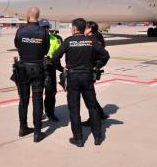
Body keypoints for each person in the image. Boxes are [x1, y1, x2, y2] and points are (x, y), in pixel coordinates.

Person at [52, 18, 110, 147]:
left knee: (74, 109)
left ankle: (78, 139)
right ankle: (98, 136)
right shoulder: (91, 41)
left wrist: (61, 69)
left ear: (74, 29)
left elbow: (55, 57)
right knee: (92, 107)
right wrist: (96, 66)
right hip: (87, 76)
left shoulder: (68, 41)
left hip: (73, 78)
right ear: (84, 29)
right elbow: (105, 55)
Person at [14, 7, 50, 143]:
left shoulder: (20, 31)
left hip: (23, 68)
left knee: (23, 100)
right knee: (37, 99)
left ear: (28, 16)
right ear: (38, 17)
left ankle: (23, 127)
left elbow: (17, 45)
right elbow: (46, 49)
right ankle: (37, 132)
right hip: (37, 68)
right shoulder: (43, 32)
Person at [82, 21, 110, 127]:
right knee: (90, 94)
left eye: (86, 27)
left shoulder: (93, 39)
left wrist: (96, 66)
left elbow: (102, 55)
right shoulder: (98, 36)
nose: (84, 29)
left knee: (89, 96)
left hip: (90, 70)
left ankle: (93, 118)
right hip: (92, 69)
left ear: (89, 29)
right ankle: (100, 113)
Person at [39, 19, 63, 122]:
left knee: (51, 93)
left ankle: (50, 113)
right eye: (43, 27)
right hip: (39, 69)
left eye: (47, 27)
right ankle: (39, 113)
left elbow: (58, 55)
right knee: (38, 94)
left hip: (50, 69)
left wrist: (60, 68)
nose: (45, 29)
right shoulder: (36, 39)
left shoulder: (54, 39)